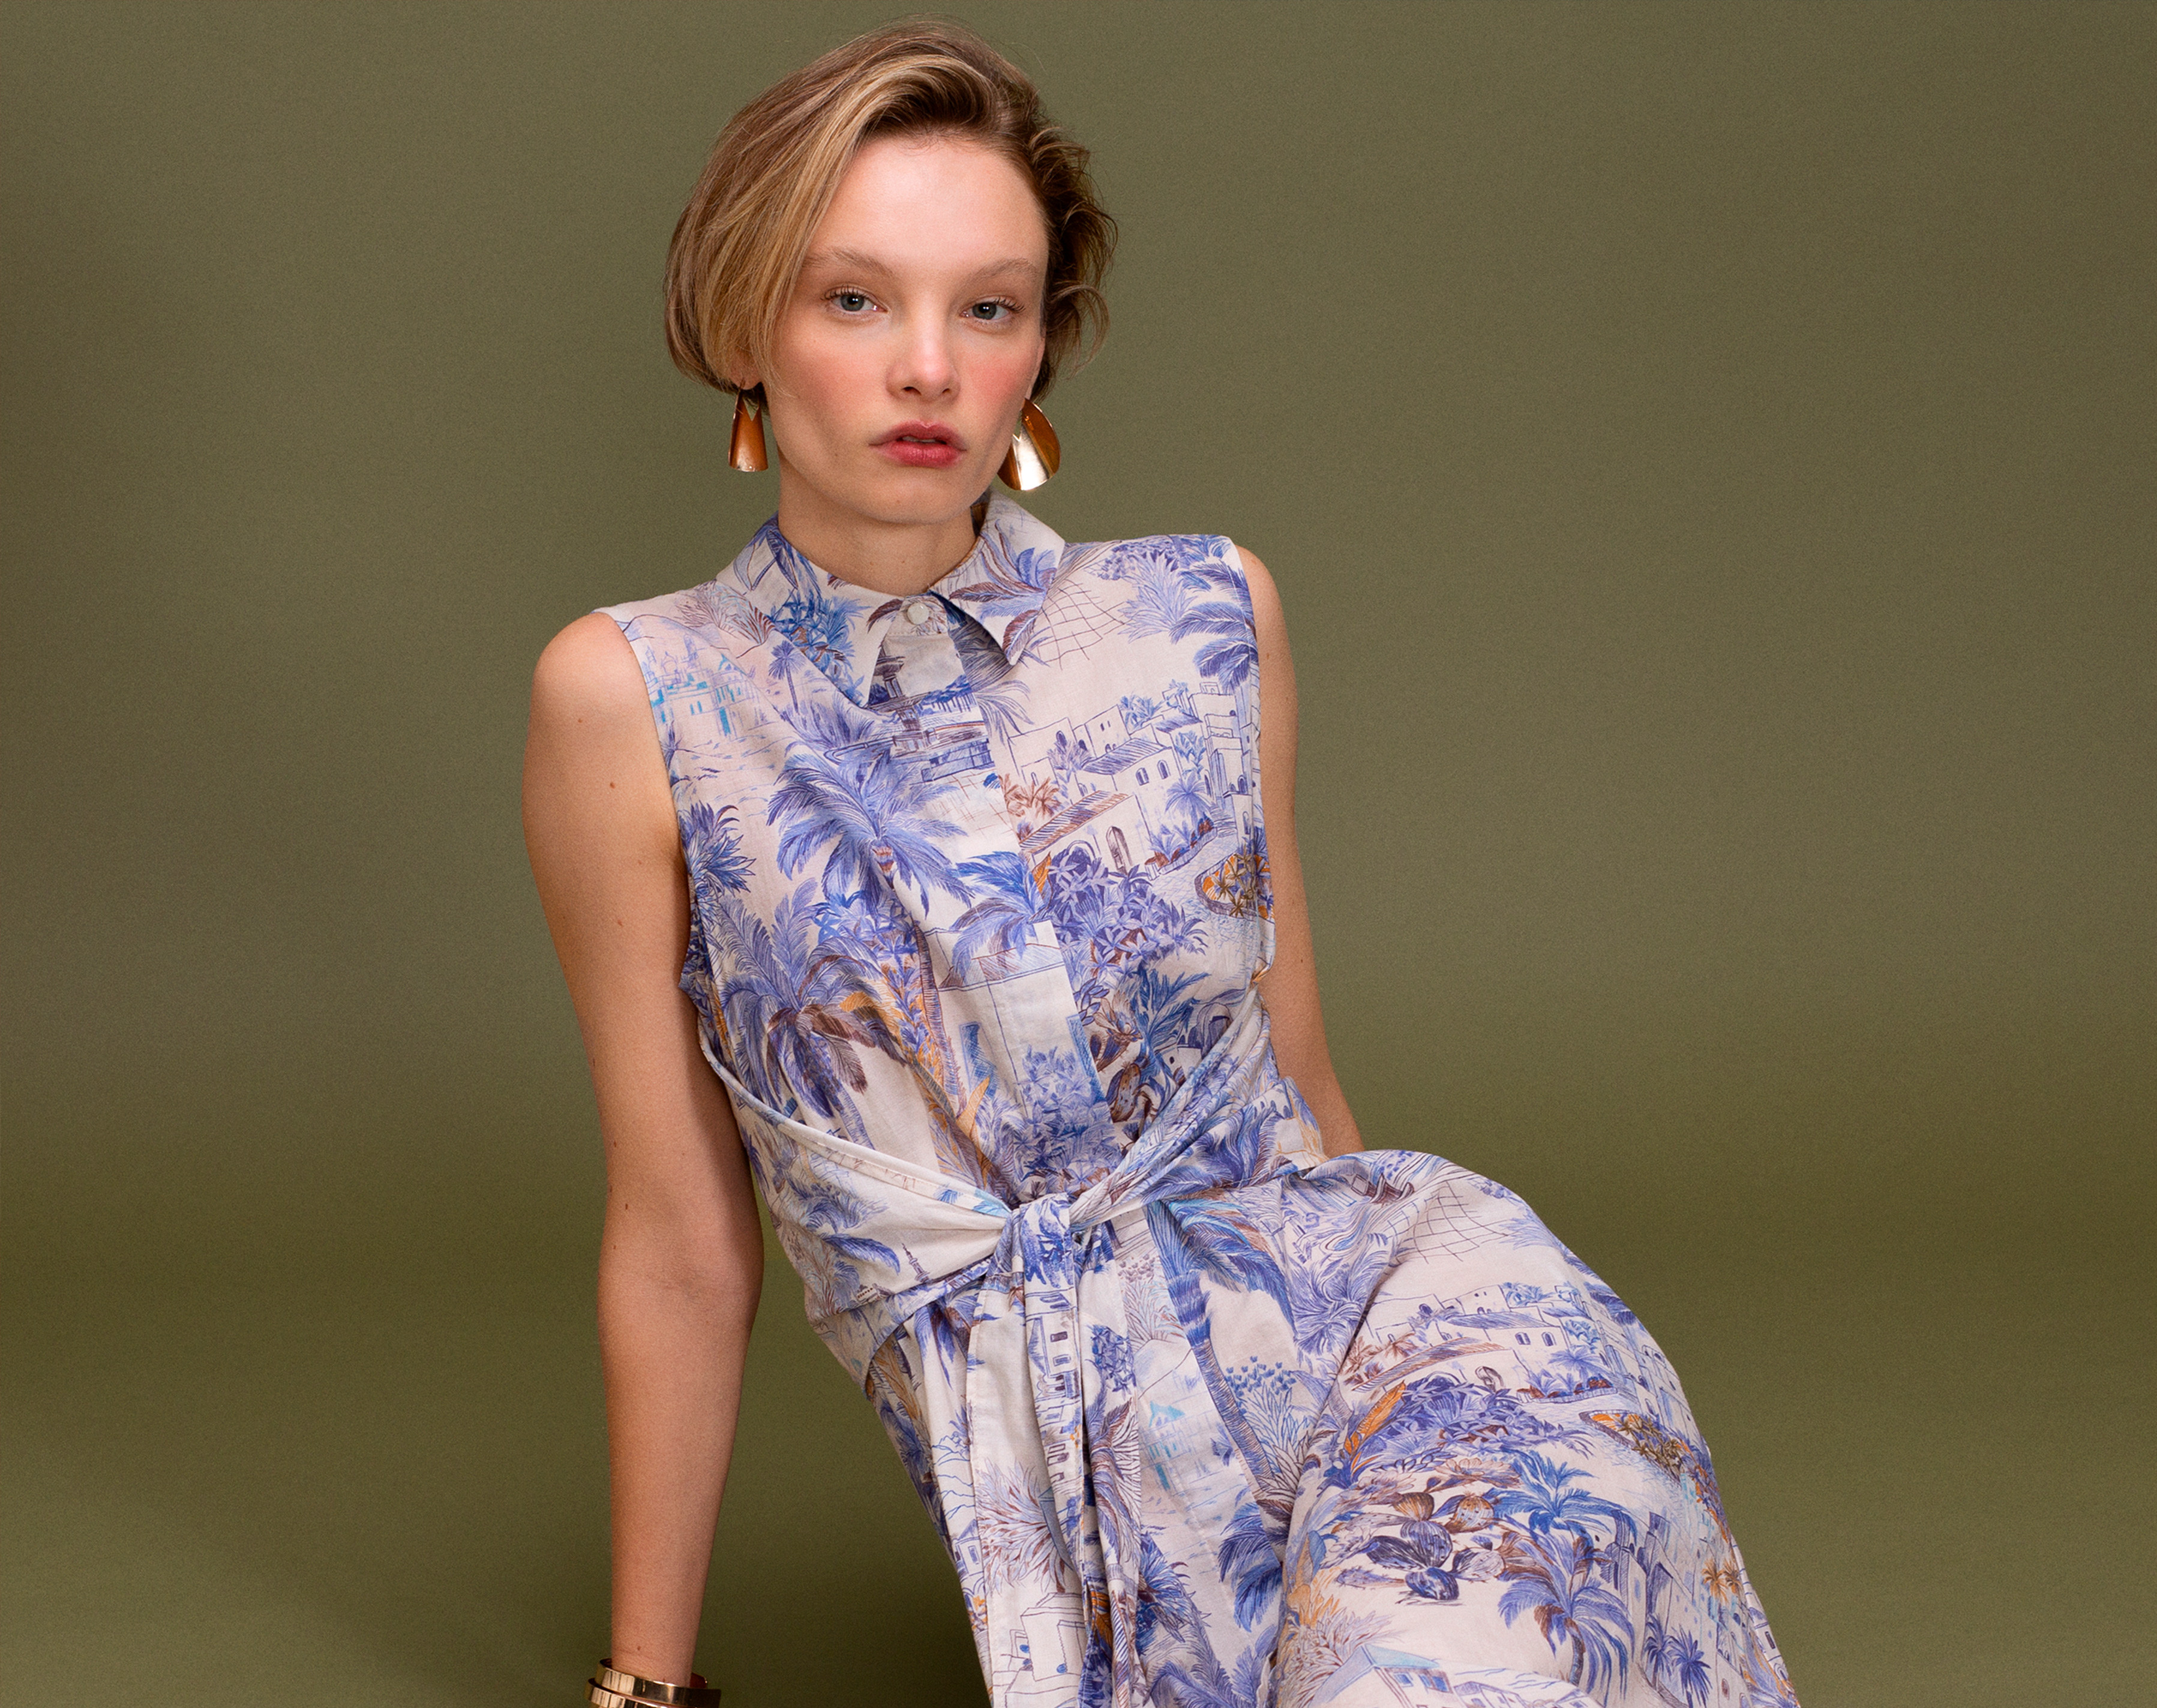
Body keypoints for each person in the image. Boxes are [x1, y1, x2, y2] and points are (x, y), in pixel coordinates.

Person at [520, 20, 1794, 1708]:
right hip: (1081, 1486)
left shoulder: (1206, 615)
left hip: (1422, 1335)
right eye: (856, 300)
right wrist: (647, 1686)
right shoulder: (636, 697)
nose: (928, 368)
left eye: (990, 308)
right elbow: (684, 1244)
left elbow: (1301, 1091)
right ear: (747, 325)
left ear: (1039, 349)